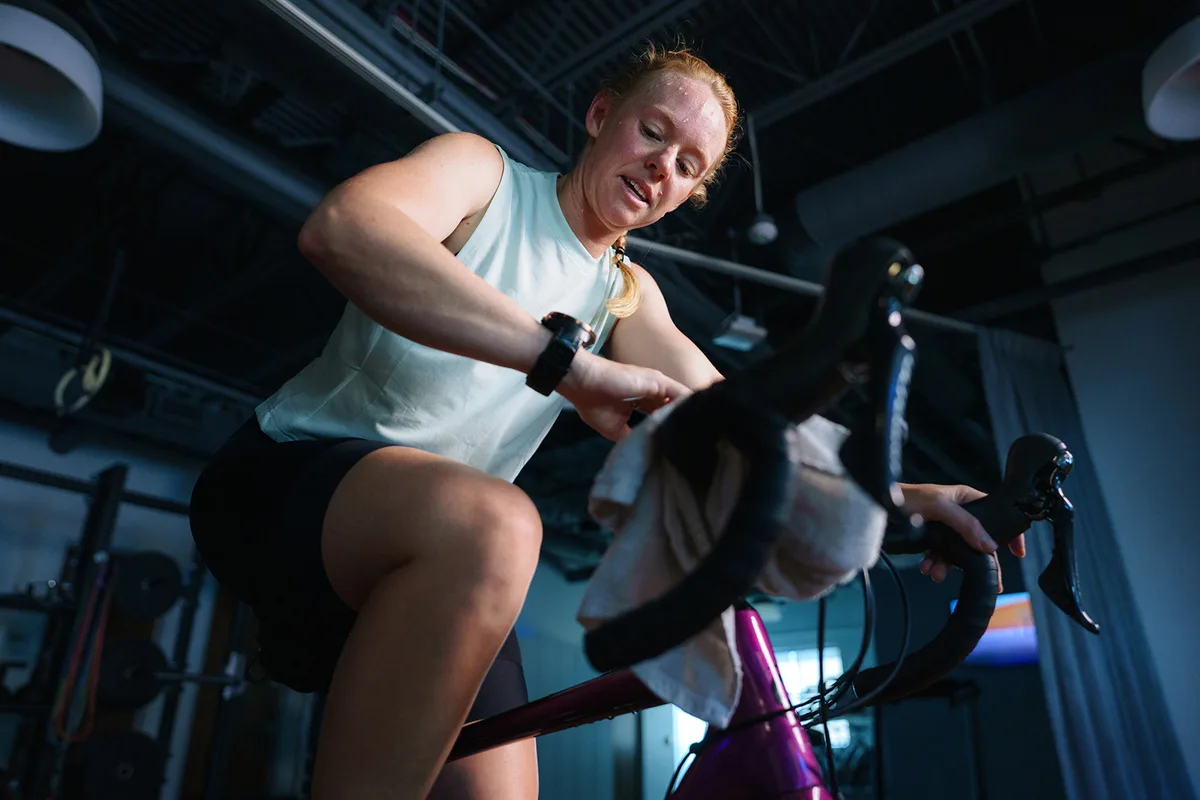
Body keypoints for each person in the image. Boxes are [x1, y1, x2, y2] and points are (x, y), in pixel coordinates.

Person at [188, 43, 1025, 800]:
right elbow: (345, 229)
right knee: (502, 523)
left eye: (687, 165)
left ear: (687, 195)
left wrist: (903, 495)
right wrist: (568, 365)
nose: (661, 166)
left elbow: (738, 416)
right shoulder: (484, 175)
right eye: (652, 132)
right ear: (600, 116)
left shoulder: (624, 293)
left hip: (451, 562)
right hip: (288, 484)